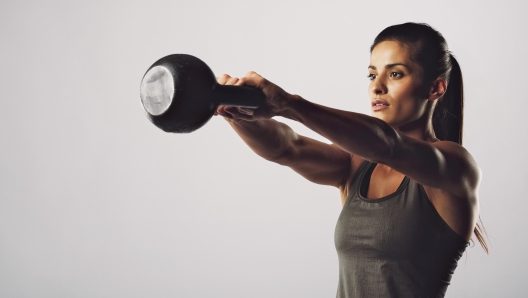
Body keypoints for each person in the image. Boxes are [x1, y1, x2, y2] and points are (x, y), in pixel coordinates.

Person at [214, 22, 487, 298]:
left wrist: (289, 104)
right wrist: (234, 111)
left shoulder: (455, 166)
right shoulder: (356, 163)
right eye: (371, 75)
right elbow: (287, 147)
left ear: (436, 88)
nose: (377, 87)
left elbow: (390, 146)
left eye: (395, 74)